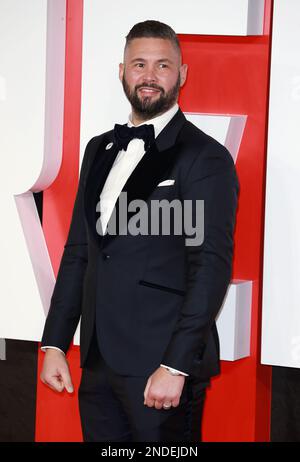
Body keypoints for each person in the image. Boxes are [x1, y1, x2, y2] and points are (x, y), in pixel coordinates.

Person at [40, 19, 239, 442]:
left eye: (163, 65)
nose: (149, 76)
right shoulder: (98, 149)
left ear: (181, 74)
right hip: (97, 364)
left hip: (161, 368)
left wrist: (176, 365)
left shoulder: (205, 157)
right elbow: (80, 251)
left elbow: (210, 267)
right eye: (139, 64)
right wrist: (55, 342)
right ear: (122, 71)